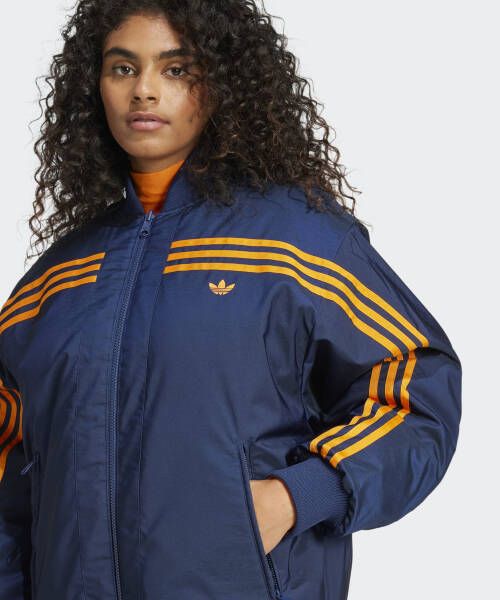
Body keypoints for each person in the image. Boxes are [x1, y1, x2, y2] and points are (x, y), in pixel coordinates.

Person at [0, 1, 462, 599]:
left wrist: (296, 496)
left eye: (175, 69)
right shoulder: (54, 282)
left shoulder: (296, 244)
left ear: (219, 84)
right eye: (123, 68)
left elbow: (416, 391)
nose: (143, 90)